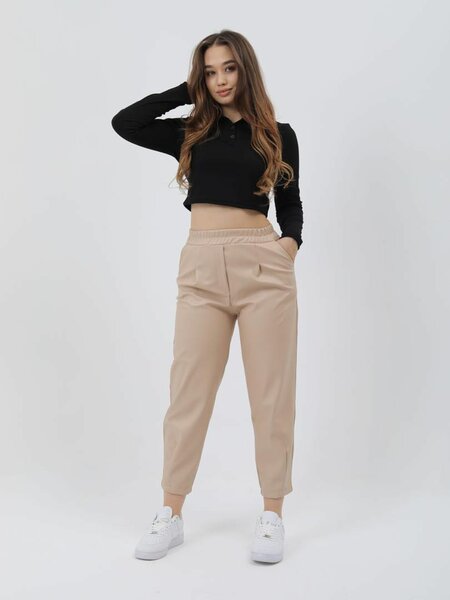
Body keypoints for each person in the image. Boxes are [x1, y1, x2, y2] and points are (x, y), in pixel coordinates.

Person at [111, 29, 303, 564]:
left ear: (246, 70)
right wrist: (186, 90)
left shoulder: (278, 134)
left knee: (271, 395)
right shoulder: (191, 132)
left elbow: (290, 202)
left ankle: (272, 514)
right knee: (188, 394)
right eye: (210, 71)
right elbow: (126, 122)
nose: (220, 80)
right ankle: (170, 512)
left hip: (263, 264)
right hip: (200, 264)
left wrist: (288, 246)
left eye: (229, 69)